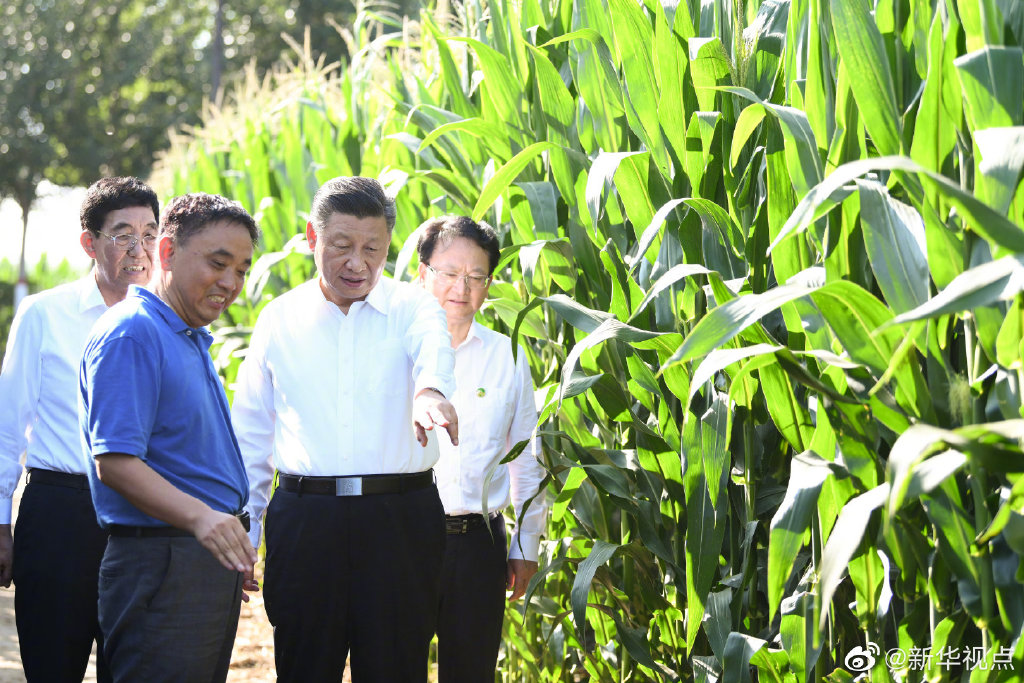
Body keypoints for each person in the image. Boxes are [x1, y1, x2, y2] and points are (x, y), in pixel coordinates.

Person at [231, 176, 458, 682]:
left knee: (397, 667)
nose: (358, 263)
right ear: (313, 238)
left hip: (401, 520)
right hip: (307, 522)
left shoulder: (413, 307)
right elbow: (250, 433)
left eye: (372, 249)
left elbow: (433, 351)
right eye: (342, 246)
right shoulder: (279, 318)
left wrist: (431, 392)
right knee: (304, 664)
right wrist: (247, 529)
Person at [79, 192, 260, 682]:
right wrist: (205, 520)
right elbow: (114, 461)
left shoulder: (184, 333)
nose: (231, 283)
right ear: (166, 253)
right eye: (218, 263)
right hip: (160, 564)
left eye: (242, 270)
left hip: (196, 561)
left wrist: (223, 540)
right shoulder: (133, 333)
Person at [0, 176, 159, 682]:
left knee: (131, 669)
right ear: (89, 242)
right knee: (52, 666)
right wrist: (0, 523)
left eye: (151, 233)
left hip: (143, 519)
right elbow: (7, 426)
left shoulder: (169, 320)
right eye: (123, 234)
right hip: (59, 514)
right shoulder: (44, 314)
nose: (140, 249)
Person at [415, 215, 549, 682]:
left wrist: (526, 543)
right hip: (402, 537)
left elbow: (526, 457)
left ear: (489, 285)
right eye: (449, 273)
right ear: (423, 273)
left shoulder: (507, 355)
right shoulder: (394, 351)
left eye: (476, 277)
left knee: (471, 673)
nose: (461, 287)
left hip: (478, 543)